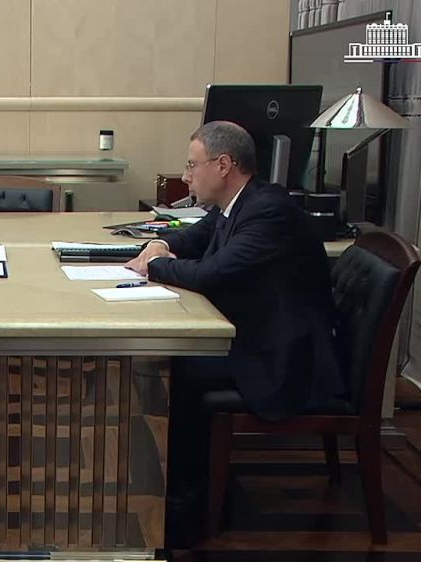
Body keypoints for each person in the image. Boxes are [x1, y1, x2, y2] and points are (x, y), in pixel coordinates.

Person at [126, 121, 345, 547]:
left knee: (180, 369)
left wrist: (155, 265)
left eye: (192, 166)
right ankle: (174, 484)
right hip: (263, 336)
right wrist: (160, 245)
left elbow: (211, 273)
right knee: (175, 365)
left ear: (223, 165)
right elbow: (193, 239)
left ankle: (187, 505)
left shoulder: (267, 212)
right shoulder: (235, 206)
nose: (186, 176)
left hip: (285, 361)